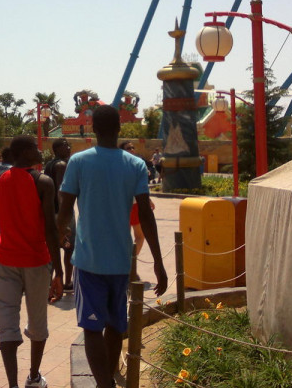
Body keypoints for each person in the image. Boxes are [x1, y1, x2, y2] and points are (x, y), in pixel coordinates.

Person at [57, 105, 168, 388]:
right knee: (116, 325)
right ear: (120, 128)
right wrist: (158, 261)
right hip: (120, 262)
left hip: (88, 260)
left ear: (92, 129)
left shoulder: (79, 162)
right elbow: (146, 214)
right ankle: (107, 381)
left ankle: (104, 384)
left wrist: (58, 240)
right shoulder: (135, 165)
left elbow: (65, 208)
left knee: (91, 327)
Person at [0, 136, 64, 388]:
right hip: (37, 262)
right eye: (35, 148)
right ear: (25, 152)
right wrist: (58, 271)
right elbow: (50, 229)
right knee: (38, 323)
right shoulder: (43, 182)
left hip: (4, 261)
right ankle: (34, 377)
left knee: (6, 325)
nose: (40, 151)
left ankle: (12, 384)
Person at [43, 138, 75, 291]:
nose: (69, 147)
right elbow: (61, 192)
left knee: (52, 248)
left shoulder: (49, 164)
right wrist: (65, 220)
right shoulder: (61, 165)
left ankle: (49, 281)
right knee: (69, 248)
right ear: (56, 149)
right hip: (61, 213)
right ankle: (67, 281)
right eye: (65, 146)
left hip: (50, 212)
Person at [120, 143, 156, 258]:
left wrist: (148, 199)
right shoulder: (137, 164)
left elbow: (143, 186)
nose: (131, 149)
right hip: (124, 204)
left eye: (132, 147)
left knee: (139, 235)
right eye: (128, 148)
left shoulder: (135, 164)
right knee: (126, 235)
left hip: (134, 203)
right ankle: (128, 262)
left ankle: (131, 261)